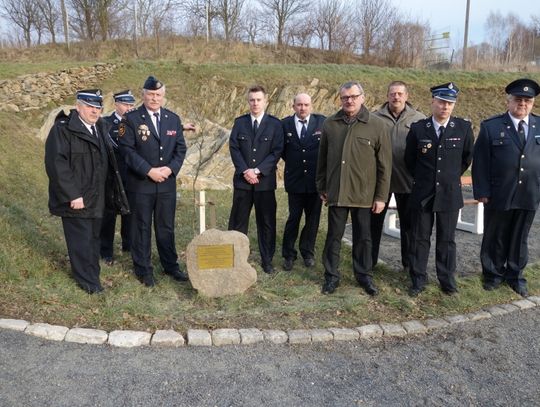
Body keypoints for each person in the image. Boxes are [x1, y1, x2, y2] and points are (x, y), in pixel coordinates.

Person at [45, 89, 129, 294]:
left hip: (97, 196)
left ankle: (93, 275)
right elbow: (57, 165)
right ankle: (88, 283)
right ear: (78, 106)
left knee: (93, 239)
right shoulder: (63, 130)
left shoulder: (100, 127)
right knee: (81, 241)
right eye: (90, 107)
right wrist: (72, 195)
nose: (94, 111)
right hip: (77, 198)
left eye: (98, 107)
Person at [316, 81, 392, 296]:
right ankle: (331, 277)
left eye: (353, 96)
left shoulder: (377, 126)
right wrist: (322, 185)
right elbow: (322, 160)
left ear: (362, 97)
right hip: (337, 192)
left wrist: (380, 196)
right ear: (340, 99)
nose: (349, 101)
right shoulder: (331, 124)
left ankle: (364, 276)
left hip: (364, 194)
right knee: (333, 237)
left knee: (364, 238)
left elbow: (385, 166)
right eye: (344, 97)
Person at [472, 78, 540, 297]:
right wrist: (482, 192)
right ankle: (492, 275)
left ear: (533, 103)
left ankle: (515, 276)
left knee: (520, 237)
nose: (523, 104)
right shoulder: (491, 126)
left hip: (529, 192)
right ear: (508, 101)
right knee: (495, 236)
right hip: (499, 192)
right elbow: (480, 162)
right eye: (518, 99)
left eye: (527, 101)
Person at [404, 82, 474, 296]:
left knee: (447, 239)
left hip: (449, 193)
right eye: (442, 101)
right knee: (420, 238)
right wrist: (426, 179)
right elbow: (409, 161)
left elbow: (466, 159)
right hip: (423, 193)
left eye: (450, 103)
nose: (445, 107)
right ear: (433, 101)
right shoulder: (418, 128)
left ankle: (446, 279)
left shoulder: (463, 128)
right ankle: (418, 278)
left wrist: (448, 178)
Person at [119, 76, 187, 287]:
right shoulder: (130, 119)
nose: (154, 98)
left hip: (166, 184)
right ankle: (143, 269)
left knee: (166, 226)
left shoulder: (172, 119)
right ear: (143, 95)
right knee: (141, 227)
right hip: (141, 184)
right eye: (150, 94)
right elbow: (126, 151)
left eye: (158, 94)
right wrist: (148, 170)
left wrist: (170, 168)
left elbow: (180, 148)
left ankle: (170, 265)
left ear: (163, 96)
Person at [228, 85, 284, 274]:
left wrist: (258, 171)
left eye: (259, 100)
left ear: (265, 101)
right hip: (243, 182)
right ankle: (235, 258)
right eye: (252, 100)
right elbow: (234, 148)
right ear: (248, 101)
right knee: (238, 222)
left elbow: (277, 151)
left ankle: (267, 260)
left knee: (266, 222)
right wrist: (245, 170)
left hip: (265, 183)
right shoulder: (240, 122)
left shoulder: (275, 124)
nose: (255, 103)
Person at [371, 81, 425, 272]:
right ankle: (370, 262)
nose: (396, 97)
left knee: (409, 226)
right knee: (373, 224)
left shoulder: (419, 119)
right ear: (387, 96)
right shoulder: (374, 118)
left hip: (407, 180)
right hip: (379, 182)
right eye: (393, 93)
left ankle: (408, 264)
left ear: (406, 96)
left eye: (400, 94)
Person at [281, 93, 326, 271]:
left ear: (311, 106)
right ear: (293, 106)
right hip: (295, 180)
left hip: (315, 182)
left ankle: (307, 252)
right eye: (299, 105)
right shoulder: (284, 124)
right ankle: (288, 254)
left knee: (312, 219)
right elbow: (283, 151)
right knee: (293, 218)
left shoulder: (322, 122)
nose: (302, 108)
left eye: (306, 104)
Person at [99, 90, 136, 265]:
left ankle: (129, 246)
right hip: (111, 176)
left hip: (132, 175)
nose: (128, 108)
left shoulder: (136, 122)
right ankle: (105, 251)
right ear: (116, 104)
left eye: (131, 105)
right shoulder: (105, 123)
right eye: (125, 104)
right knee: (109, 214)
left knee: (130, 213)